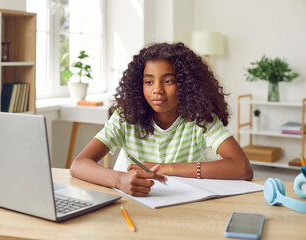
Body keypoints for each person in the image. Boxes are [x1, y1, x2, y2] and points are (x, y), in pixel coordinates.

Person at [70, 42, 253, 197]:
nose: (157, 89)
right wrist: (119, 180)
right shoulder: (126, 118)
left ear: (187, 85)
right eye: (149, 82)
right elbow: (79, 164)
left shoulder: (201, 119)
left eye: (168, 81)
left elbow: (242, 168)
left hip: (184, 204)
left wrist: (166, 168)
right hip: (137, 203)